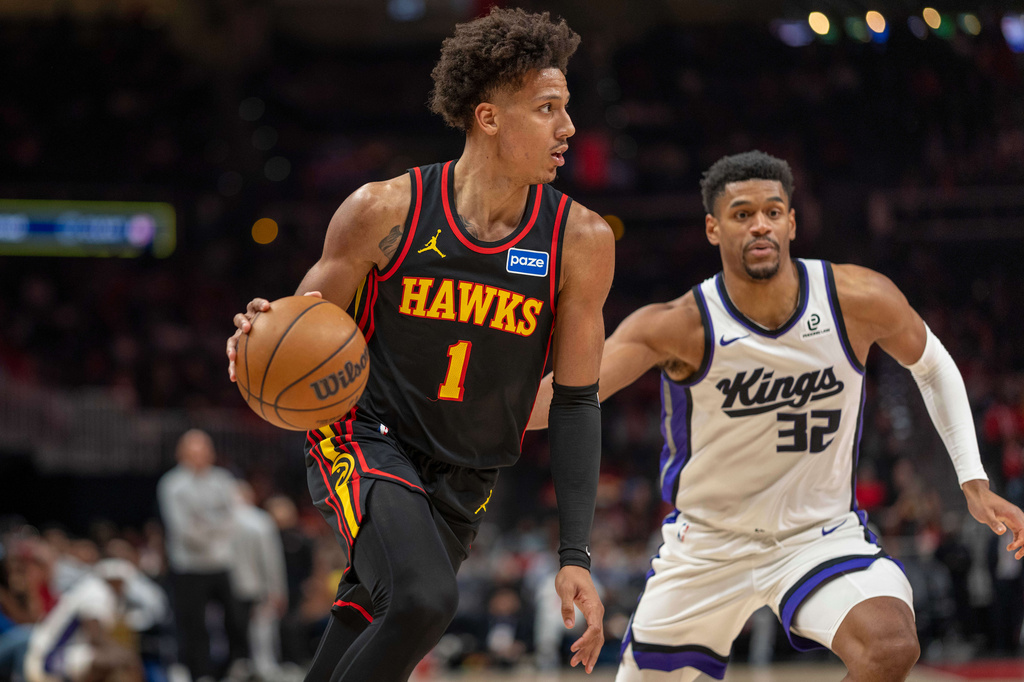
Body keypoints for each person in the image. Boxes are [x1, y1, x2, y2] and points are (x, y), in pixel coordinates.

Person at [529, 150, 1024, 681]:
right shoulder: (678, 324)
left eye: (772, 210)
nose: (759, 224)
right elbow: (565, 395)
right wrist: (455, 399)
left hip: (817, 536)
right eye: (742, 214)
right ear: (713, 228)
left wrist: (973, 480)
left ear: (791, 221)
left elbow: (933, 364)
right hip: (707, 546)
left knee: (889, 642)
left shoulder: (856, 298)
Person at [225, 8, 614, 681]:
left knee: (374, 611)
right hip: (366, 435)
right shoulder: (384, 211)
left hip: (467, 468)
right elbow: (301, 326)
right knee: (425, 601)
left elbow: (578, 401)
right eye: (548, 108)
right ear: (489, 117)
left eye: (567, 107)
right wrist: (258, 333)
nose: (568, 128)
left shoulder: (579, 241)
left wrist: (574, 554)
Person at [156, 429, 247, 681]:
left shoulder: (223, 479)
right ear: (181, 454)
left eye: (203, 450)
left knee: (236, 620)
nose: (199, 456)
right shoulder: (172, 484)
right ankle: (200, 673)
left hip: (222, 563)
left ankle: (232, 668)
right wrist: (215, 531)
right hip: (189, 566)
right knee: (193, 625)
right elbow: (183, 530)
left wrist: (207, 528)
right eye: (192, 451)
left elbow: (234, 520)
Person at [22, 559, 143, 682]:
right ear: (113, 580)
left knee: (115, 657)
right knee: (110, 659)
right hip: (47, 661)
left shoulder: (92, 588)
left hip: (47, 656)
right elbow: (96, 638)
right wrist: (129, 657)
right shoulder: (97, 592)